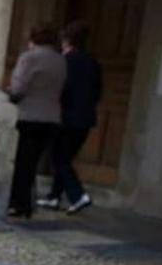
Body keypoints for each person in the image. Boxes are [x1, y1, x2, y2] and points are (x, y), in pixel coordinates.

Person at [39, 20, 101, 215]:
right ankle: (54, 196)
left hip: (66, 116)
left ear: (66, 40)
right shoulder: (93, 63)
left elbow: (59, 88)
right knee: (64, 156)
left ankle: (78, 195)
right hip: (85, 119)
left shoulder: (64, 61)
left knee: (59, 158)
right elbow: (98, 92)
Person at [6, 25, 67, 218]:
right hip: (52, 118)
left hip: (30, 115)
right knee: (33, 163)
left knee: (23, 163)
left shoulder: (30, 57)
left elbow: (18, 87)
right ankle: (27, 203)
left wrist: (10, 93)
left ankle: (19, 203)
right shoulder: (60, 60)